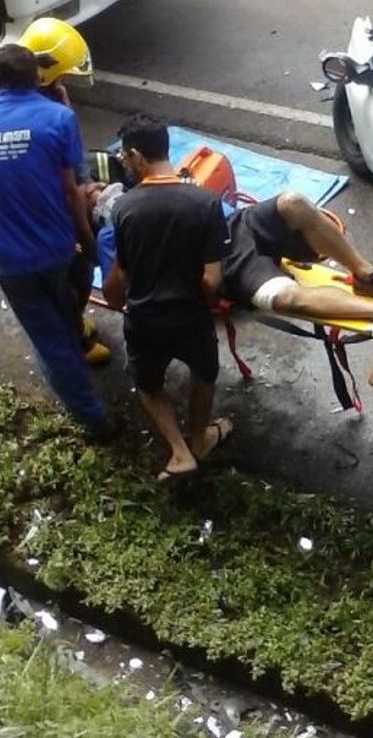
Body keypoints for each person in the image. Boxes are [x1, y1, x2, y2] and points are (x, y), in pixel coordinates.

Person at [0, 43, 117, 441]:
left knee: (50, 339)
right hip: (57, 248)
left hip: (9, 258)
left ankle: (85, 395)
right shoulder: (58, 118)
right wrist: (85, 237)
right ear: (39, 79)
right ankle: (97, 422)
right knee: (71, 297)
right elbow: (73, 191)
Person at [102, 116, 233, 481]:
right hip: (191, 317)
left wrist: (116, 299)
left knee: (148, 384)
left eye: (125, 159)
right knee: (204, 375)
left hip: (145, 319)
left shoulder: (124, 209)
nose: (125, 166)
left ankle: (179, 451)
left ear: (135, 155)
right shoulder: (207, 203)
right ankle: (200, 437)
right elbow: (211, 279)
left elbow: (120, 278)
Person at [17, 17, 111, 365]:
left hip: (53, 203)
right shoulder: (43, 115)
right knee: (71, 276)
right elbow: (65, 183)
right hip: (47, 216)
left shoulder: (48, 99)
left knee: (76, 276)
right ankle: (73, 339)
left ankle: (71, 317)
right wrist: (85, 235)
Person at [219, 192, 373, 319]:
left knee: (293, 203)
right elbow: (208, 281)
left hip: (235, 221)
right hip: (223, 254)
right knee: (284, 297)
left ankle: (366, 276)